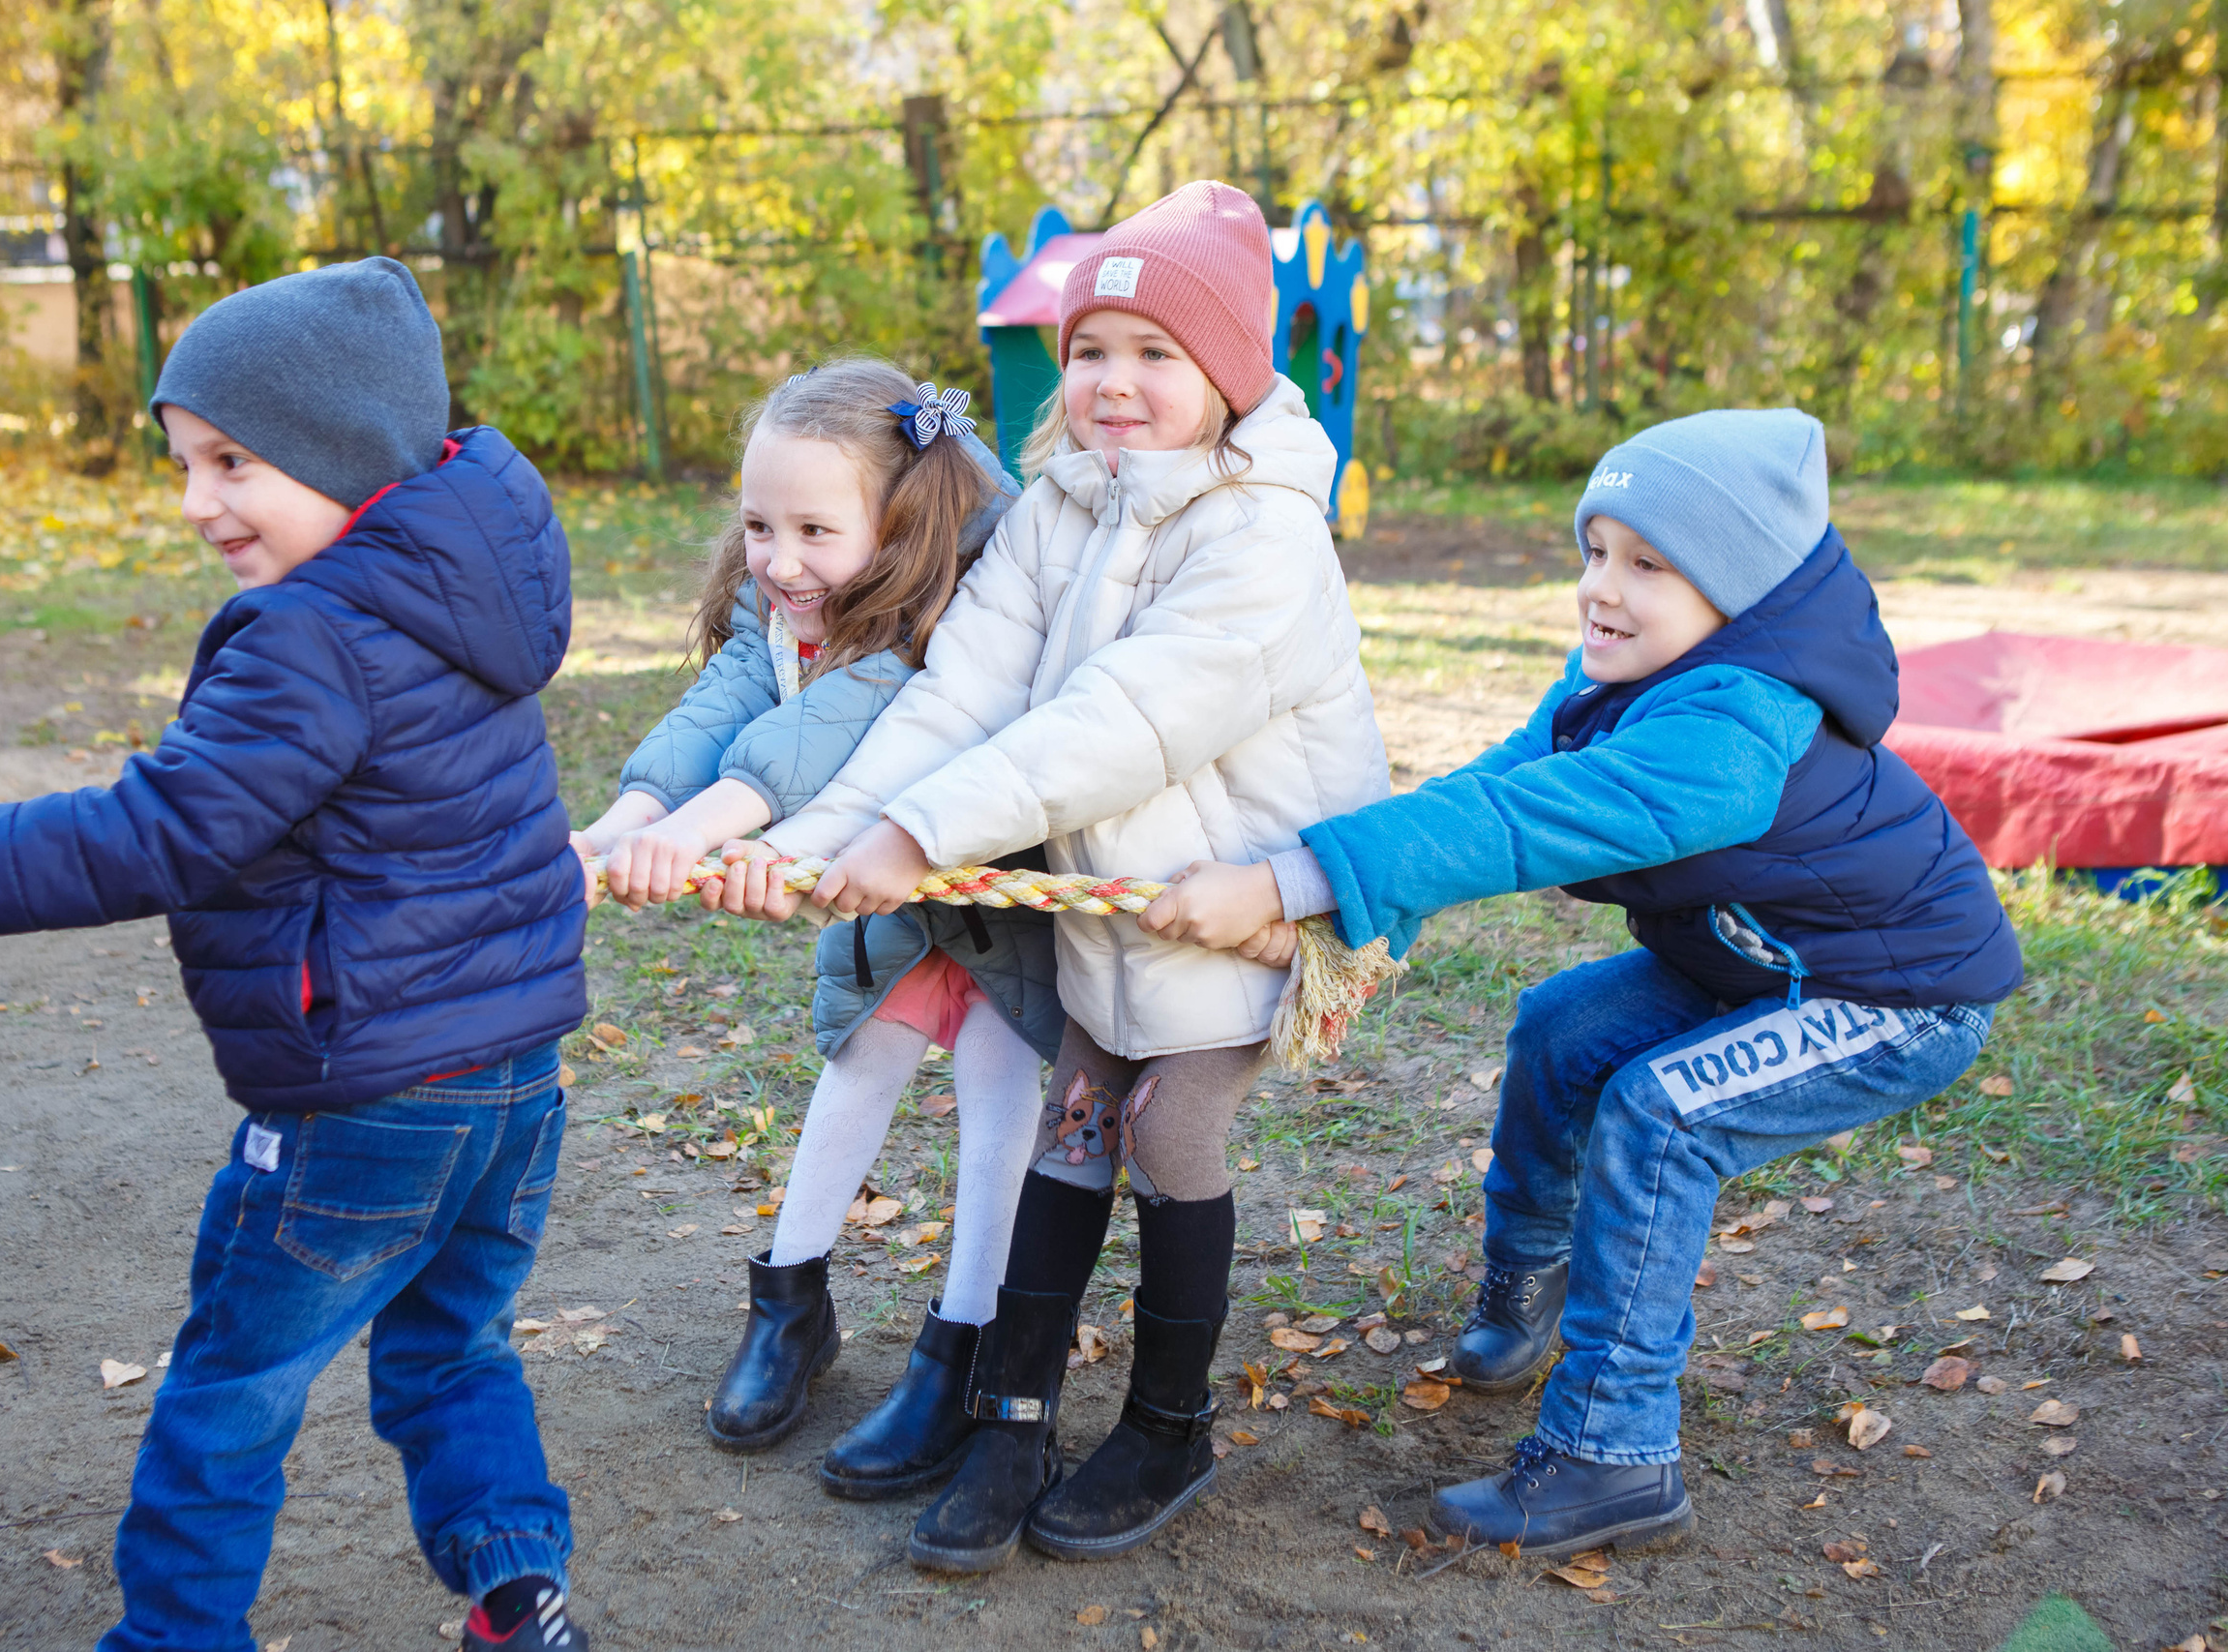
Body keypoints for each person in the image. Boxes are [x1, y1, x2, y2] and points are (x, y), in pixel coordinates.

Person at [0, 257, 594, 1652]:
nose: (198, 502)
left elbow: (147, 833)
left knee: (231, 1386)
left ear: (344, 453)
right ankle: (518, 1588)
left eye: (232, 462)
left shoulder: (314, 635)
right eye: (185, 463)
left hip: (364, 1100)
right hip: (514, 1083)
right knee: (453, 1346)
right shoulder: (465, 592)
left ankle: (176, 1637)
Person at [1148, 407, 2024, 1561]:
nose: (1600, 588)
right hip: (1757, 963)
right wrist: (1338, 917)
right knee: (1560, 1027)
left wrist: (1282, 880)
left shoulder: (1730, 731)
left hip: (1891, 999)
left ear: (1738, 593)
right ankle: (1529, 1286)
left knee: (1663, 1116)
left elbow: (1521, 825)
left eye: (1649, 565)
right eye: (1596, 549)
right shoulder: (1630, 670)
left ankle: (1614, 1455)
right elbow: (1494, 791)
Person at [716, 180, 1392, 1572]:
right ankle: (1010, 1420)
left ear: (1229, 373)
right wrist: (823, 833)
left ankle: (1166, 1424)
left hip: (1238, 913)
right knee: (1068, 1134)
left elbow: (1118, 723)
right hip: (1110, 924)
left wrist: (916, 839)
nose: (1113, 382)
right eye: (1090, 351)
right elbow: (963, 692)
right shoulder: (1061, 507)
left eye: (1155, 353)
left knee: (1168, 1135)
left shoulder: (1265, 538)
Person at [575, 358, 1062, 1499]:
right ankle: (790, 1304)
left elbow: (833, 724)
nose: (779, 561)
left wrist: (700, 832)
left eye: (812, 531)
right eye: (757, 525)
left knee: (997, 1091)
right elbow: (730, 697)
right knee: (860, 1060)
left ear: (898, 525)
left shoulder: (950, 604)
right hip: (874, 892)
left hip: (993, 885)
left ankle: (965, 1339)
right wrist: (624, 820)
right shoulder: (791, 602)